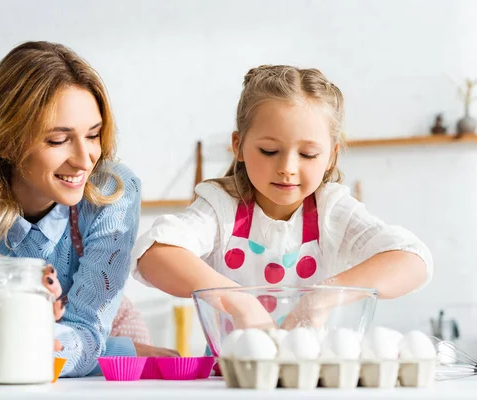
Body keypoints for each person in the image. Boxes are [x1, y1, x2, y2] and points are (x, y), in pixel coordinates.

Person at [0, 41, 176, 378]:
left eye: (93, 135)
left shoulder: (113, 191)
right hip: (106, 350)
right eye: (58, 140)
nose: (84, 160)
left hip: (114, 327)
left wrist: (29, 335)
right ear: (7, 139)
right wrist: (119, 351)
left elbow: (89, 333)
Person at [132, 65, 433, 330]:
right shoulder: (220, 206)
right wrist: (239, 301)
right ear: (238, 146)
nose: (287, 168)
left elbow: (413, 259)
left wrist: (323, 297)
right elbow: (153, 254)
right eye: (269, 151)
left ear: (331, 157)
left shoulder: (332, 210)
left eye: (308, 154)